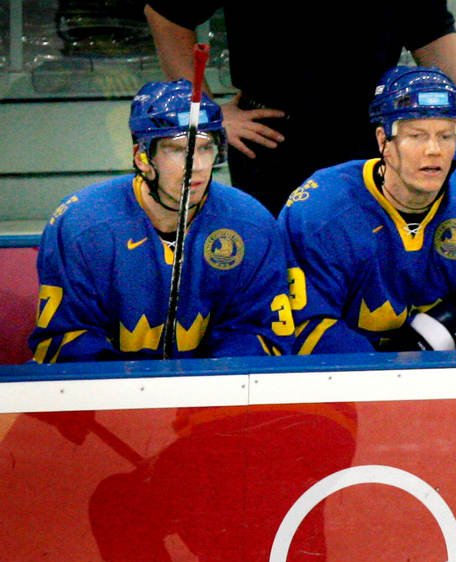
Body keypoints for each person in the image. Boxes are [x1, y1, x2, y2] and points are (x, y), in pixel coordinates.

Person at [144, 1, 456, 214]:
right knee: (283, 275)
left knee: (371, 266)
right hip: (274, 139)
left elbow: (430, 30)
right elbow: (166, 12)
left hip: (370, 136)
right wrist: (209, 113)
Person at [278, 66, 456, 353]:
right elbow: (306, 324)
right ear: (383, 141)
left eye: (446, 136)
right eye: (417, 136)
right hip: (347, 388)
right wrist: (388, 384)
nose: (434, 150)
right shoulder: (320, 211)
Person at [30, 79, 288, 363]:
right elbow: (66, 340)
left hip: (212, 398)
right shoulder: (82, 226)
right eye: (178, 150)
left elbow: (262, 333)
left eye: (205, 148)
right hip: (109, 400)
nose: (198, 165)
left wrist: (203, 391)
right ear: (141, 157)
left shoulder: (251, 224)